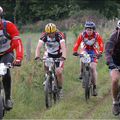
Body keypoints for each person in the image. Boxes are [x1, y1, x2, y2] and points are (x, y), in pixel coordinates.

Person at [0, 6, 24, 110]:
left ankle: (8, 98)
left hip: (7, 53)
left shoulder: (8, 26)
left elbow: (18, 43)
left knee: (5, 73)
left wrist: (18, 58)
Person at [35, 23, 66, 97]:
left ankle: (60, 89)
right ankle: (47, 77)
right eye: (49, 33)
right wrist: (37, 56)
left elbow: (63, 47)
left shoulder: (59, 35)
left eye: (52, 33)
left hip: (59, 54)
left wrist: (63, 56)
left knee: (58, 72)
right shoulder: (44, 36)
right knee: (45, 61)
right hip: (49, 53)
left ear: (55, 31)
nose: (50, 35)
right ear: (46, 32)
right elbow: (38, 47)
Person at [73, 21, 104, 96]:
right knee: (82, 56)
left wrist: (100, 52)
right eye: (87, 29)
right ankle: (81, 72)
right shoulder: (82, 35)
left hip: (93, 51)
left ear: (93, 30)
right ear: (85, 29)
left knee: (93, 68)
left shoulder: (97, 35)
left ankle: (94, 87)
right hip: (85, 49)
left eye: (90, 29)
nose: (89, 31)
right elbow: (77, 43)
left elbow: (101, 44)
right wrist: (75, 51)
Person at [105, 20, 120, 116]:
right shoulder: (113, 37)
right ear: (118, 29)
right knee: (115, 80)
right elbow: (107, 52)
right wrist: (110, 62)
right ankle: (115, 102)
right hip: (115, 62)